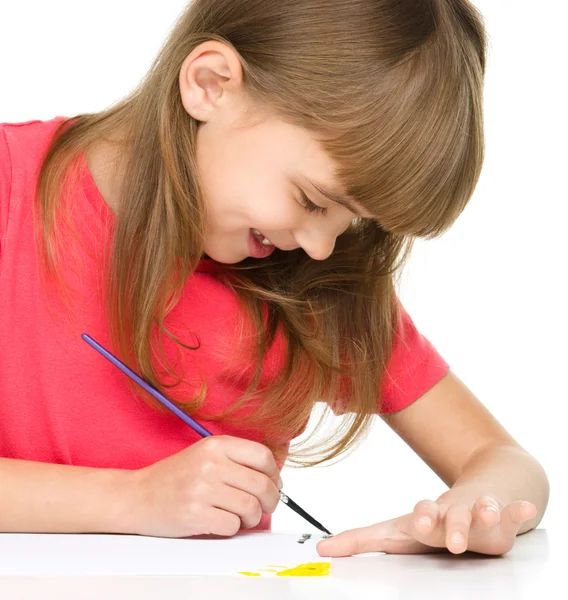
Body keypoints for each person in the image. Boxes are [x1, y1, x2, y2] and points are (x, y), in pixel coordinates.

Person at [0, 0, 549, 557]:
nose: (320, 245)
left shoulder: (313, 284)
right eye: (311, 200)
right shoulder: (11, 188)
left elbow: (507, 463)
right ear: (210, 84)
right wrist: (133, 499)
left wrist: (474, 508)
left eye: (352, 219)